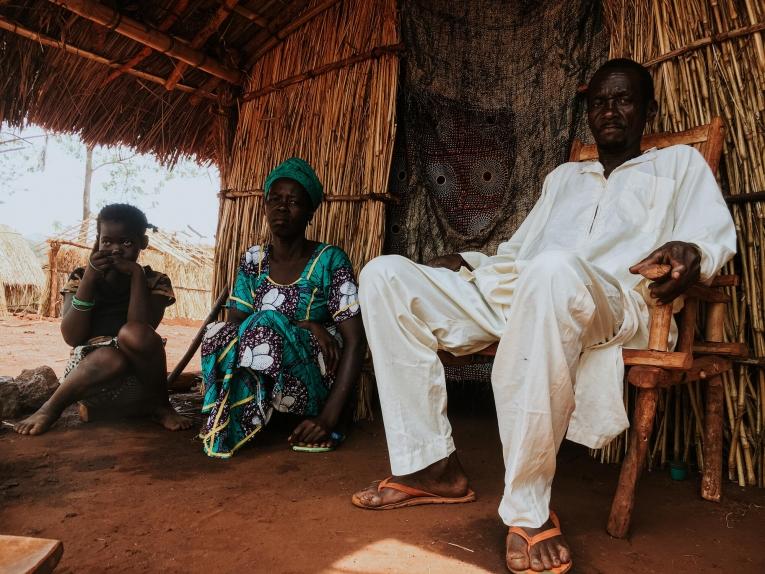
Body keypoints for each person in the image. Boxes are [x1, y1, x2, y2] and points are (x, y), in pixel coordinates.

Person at [351, 58, 736, 573]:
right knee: (383, 276)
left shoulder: (678, 167)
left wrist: (692, 250)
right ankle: (430, 467)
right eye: (599, 102)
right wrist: (470, 261)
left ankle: (528, 509)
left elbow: (711, 236)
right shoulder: (565, 178)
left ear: (649, 108)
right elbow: (519, 250)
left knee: (553, 272)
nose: (610, 110)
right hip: (523, 289)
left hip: (610, 301)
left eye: (623, 99)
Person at [200, 157, 365, 459]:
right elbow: (237, 325)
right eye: (274, 200)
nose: (282, 208)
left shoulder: (330, 260)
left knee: (264, 324)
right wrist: (304, 323)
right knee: (218, 332)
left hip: (315, 372)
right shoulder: (253, 259)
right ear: (264, 206)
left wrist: (329, 418)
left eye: (294, 202)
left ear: (310, 212)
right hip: (265, 352)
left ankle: (323, 418)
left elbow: (355, 340)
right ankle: (244, 413)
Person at [14, 204, 192, 436]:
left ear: (143, 244)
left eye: (126, 242)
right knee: (110, 356)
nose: (115, 250)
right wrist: (90, 277)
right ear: (98, 241)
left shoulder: (155, 281)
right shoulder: (81, 277)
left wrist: (137, 275)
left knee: (132, 334)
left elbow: (141, 328)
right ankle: (51, 408)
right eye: (107, 242)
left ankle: (160, 406)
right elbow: (72, 336)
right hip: (91, 380)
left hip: (141, 382)